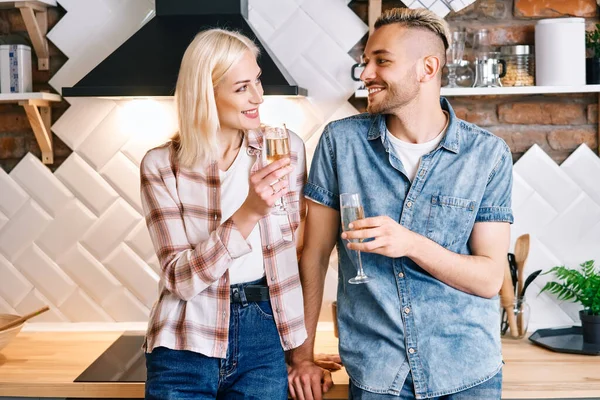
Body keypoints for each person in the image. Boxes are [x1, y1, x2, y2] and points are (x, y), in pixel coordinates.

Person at [288, 8, 513, 400]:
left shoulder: (487, 155)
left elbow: (490, 278)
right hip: (377, 372)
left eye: (381, 61)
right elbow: (314, 254)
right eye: (365, 62)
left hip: (466, 372)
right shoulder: (341, 143)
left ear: (427, 68)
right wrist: (301, 357)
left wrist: (409, 243)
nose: (366, 74)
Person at [140, 28, 309, 399]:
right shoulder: (161, 166)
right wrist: (249, 212)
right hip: (185, 338)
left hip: (264, 333)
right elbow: (180, 280)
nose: (258, 97)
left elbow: (291, 249)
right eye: (241, 88)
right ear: (206, 94)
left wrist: (302, 354)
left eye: (258, 81)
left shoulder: (284, 149)